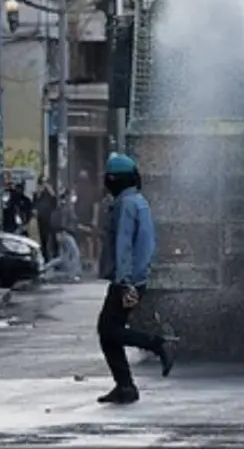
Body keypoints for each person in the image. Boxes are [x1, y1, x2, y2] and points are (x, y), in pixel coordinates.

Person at [95, 154, 173, 405]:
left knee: (108, 330)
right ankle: (125, 386)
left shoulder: (125, 205)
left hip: (126, 280)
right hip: (135, 278)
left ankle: (156, 344)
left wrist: (124, 281)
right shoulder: (138, 202)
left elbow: (124, 244)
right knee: (109, 332)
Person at [40, 191, 83, 282]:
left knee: (63, 257)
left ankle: (44, 268)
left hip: (61, 234)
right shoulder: (67, 209)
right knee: (75, 254)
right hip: (66, 234)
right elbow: (72, 221)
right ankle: (74, 275)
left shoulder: (59, 209)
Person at [34, 179, 58, 261]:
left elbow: (54, 203)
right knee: (43, 239)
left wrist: (51, 191)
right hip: (40, 220)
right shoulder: (37, 195)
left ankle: (54, 255)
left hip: (49, 219)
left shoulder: (49, 195)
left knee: (51, 238)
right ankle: (45, 257)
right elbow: (34, 205)